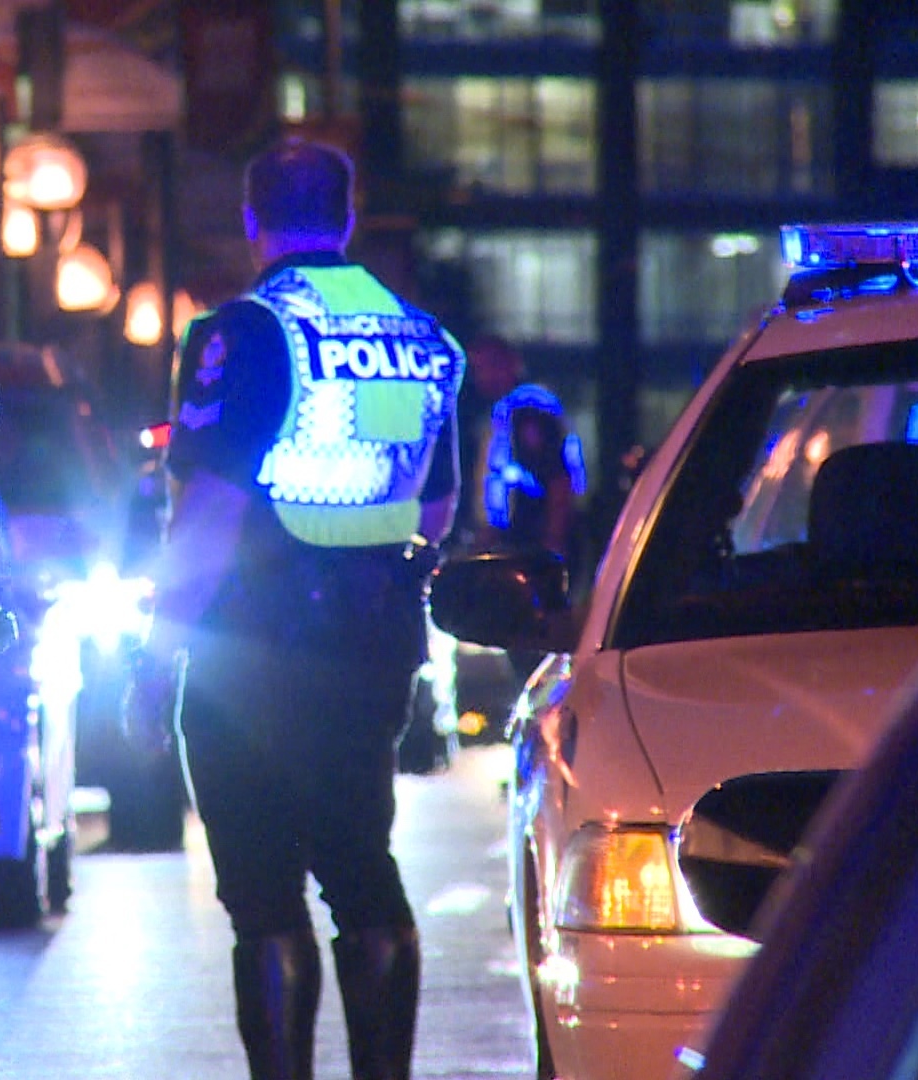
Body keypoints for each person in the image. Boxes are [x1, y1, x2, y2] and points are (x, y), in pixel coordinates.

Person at [132, 136, 464, 1080]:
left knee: (265, 900)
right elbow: (435, 510)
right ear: (349, 215)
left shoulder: (244, 331)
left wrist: (156, 666)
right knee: (363, 871)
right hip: (374, 653)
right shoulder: (421, 338)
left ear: (252, 220)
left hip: (254, 653)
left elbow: (205, 515)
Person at [458, 333, 585, 565]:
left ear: (512, 363)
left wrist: (552, 543)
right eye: (477, 369)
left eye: (491, 365)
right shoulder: (501, 412)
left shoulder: (530, 409)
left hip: (530, 543)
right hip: (510, 542)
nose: (483, 377)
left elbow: (557, 478)